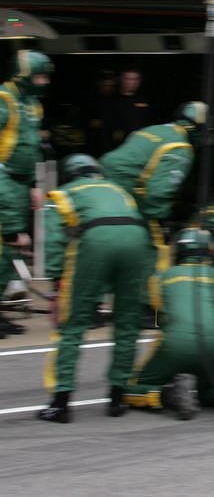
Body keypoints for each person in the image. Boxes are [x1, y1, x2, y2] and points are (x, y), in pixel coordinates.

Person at [37, 155, 153, 423]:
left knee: (73, 322)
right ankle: (117, 397)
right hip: (137, 240)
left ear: (71, 174)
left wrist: (56, 277)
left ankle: (61, 403)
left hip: (97, 239)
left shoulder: (64, 192)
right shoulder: (118, 189)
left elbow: (54, 236)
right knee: (127, 321)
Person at [122, 229, 214, 419]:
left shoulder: (161, 278)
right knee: (207, 393)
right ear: (208, 251)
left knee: (130, 389)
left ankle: (168, 394)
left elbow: (159, 318)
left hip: (176, 345)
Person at [100, 101, 207, 271]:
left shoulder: (152, 129)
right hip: (128, 198)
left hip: (103, 188)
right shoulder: (180, 147)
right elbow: (158, 192)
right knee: (158, 251)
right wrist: (162, 220)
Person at [0, 50, 52, 336]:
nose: (44, 81)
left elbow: (30, 147)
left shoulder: (33, 104)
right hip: (3, 179)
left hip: (20, 182)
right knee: (6, 243)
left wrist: (34, 184)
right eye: (39, 76)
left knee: (9, 253)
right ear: (24, 76)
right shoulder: (3, 100)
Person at [108, 68, 154, 147]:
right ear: (121, 80)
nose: (132, 82)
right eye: (128, 79)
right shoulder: (111, 101)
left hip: (141, 144)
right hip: (117, 145)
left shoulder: (145, 101)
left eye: (135, 79)